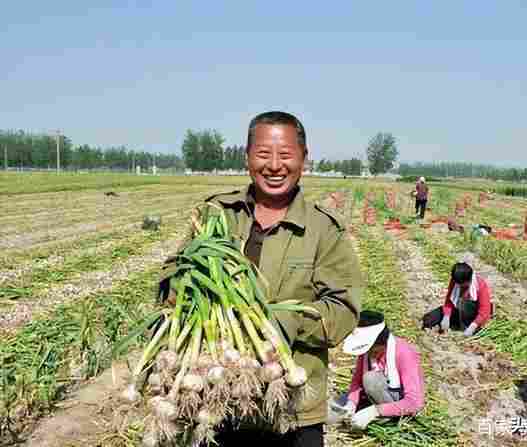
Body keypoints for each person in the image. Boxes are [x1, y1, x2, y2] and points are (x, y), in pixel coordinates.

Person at [157, 111, 363, 447]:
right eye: (264, 154)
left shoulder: (324, 229)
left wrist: (279, 321)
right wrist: (192, 290)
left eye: (285, 155)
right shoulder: (216, 215)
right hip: (216, 398)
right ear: (247, 157)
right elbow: (169, 281)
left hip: (292, 407)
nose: (274, 165)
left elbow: (342, 312)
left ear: (304, 159)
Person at [327, 310, 425, 431]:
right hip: (370, 397)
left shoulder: (404, 353)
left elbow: (414, 403)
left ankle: (385, 420)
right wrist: (351, 403)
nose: (369, 354)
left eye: (373, 350)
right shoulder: (366, 352)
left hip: (396, 403)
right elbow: (357, 382)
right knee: (330, 410)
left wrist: (375, 411)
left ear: (382, 342)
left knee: (370, 379)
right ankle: (361, 416)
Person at [421, 257, 493, 337]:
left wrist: (473, 326)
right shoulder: (455, 281)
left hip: (473, 317)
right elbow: (449, 301)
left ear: (468, 281)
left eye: (462, 285)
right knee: (429, 318)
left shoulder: (480, 285)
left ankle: (467, 328)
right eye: (458, 284)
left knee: (474, 324)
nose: (459, 286)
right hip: (459, 312)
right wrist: (446, 316)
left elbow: (484, 311)